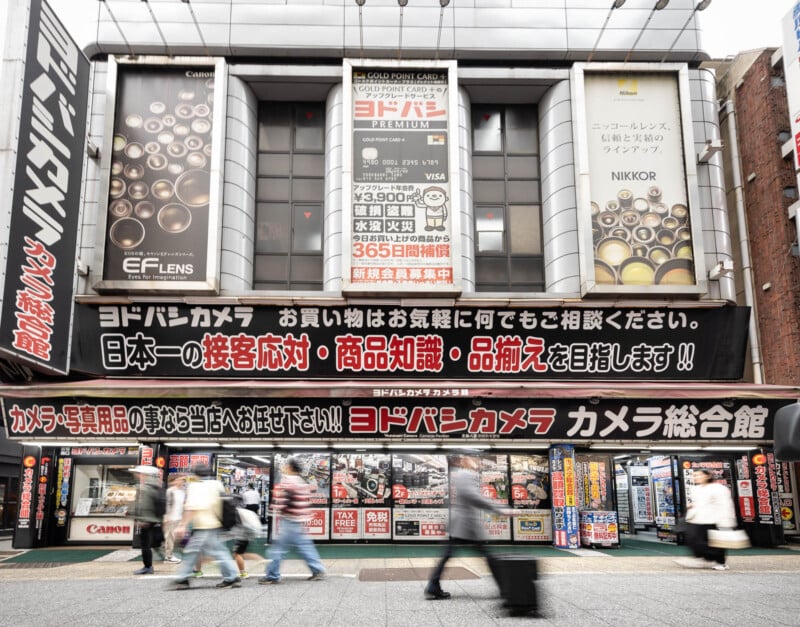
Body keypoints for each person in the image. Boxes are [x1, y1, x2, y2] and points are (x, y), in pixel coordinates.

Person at [425, 455, 516, 600]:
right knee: (488, 556)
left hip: (462, 525)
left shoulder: (460, 474)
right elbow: (473, 497)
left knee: (448, 555)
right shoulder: (465, 475)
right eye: (474, 459)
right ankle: (505, 589)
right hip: (466, 525)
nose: (477, 461)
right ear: (465, 460)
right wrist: (499, 509)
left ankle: (433, 586)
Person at [168, 463, 242, 589]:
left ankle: (182, 579)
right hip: (215, 523)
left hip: (203, 525)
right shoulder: (217, 484)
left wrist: (183, 525)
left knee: (193, 551)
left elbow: (191, 507)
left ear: (195, 474)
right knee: (218, 551)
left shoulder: (195, 487)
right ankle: (231, 577)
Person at [258, 457, 326, 584]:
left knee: (278, 549)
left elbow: (283, 501)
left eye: (285, 465)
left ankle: (272, 575)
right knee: (306, 548)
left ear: (290, 467)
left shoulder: (288, 481)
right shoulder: (301, 481)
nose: (283, 467)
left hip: (289, 521)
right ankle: (318, 570)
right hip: (299, 520)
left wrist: (273, 509)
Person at [674, 468, 737, 571]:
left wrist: (726, 520)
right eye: (694, 476)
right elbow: (699, 503)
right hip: (697, 519)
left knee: (716, 542)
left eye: (699, 475)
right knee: (693, 539)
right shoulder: (696, 489)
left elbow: (725, 505)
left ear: (708, 476)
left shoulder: (718, 488)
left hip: (713, 519)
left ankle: (721, 562)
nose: (696, 478)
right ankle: (700, 559)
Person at [129, 465, 164, 575]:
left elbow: (144, 505)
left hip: (146, 520)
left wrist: (141, 519)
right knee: (151, 543)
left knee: (145, 545)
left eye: (138, 473)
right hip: (155, 519)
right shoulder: (157, 485)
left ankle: (148, 566)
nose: (136, 475)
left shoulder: (144, 488)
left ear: (143, 474)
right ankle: (154, 560)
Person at [163, 475, 186, 564]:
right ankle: (168, 556)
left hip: (179, 517)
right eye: (179, 480)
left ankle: (171, 554)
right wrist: (167, 517)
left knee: (175, 537)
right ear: (173, 481)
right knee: (170, 537)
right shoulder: (170, 491)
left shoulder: (182, 491)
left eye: (182, 480)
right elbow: (167, 504)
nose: (181, 481)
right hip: (171, 518)